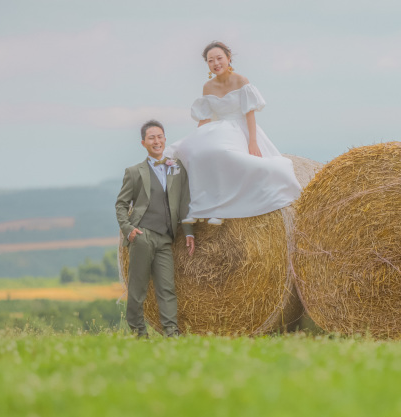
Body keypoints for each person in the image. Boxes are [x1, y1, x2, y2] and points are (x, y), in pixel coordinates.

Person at [168, 41, 302, 225]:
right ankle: (203, 208)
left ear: (228, 58)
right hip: (218, 129)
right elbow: (204, 119)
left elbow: (250, 115)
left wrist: (252, 141)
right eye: (210, 60)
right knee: (197, 153)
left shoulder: (241, 81)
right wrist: (195, 141)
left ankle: (224, 209)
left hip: (241, 129)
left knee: (228, 156)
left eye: (219, 58)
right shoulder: (207, 87)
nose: (215, 63)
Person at [116, 120, 196, 338]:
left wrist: (188, 232)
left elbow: (184, 203)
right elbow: (121, 205)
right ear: (144, 143)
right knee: (138, 289)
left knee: (167, 289)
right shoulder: (134, 172)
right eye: (151, 138)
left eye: (160, 136)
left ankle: (172, 333)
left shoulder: (177, 168)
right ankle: (139, 333)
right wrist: (129, 229)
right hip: (142, 236)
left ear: (165, 139)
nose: (156, 141)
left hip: (165, 239)